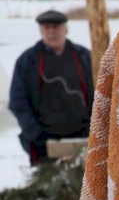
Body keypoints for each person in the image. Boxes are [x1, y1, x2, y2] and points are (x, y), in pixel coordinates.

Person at [8, 10, 93, 166]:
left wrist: (95, 129)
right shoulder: (28, 61)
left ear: (65, 29)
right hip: (43, 141)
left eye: (56, 26)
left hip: (84, 137)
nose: (52, 31)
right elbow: (17, 102)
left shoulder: (84, 57)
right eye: (47, 27)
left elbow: (102, 93)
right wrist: (35, 134)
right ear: (41, 31)